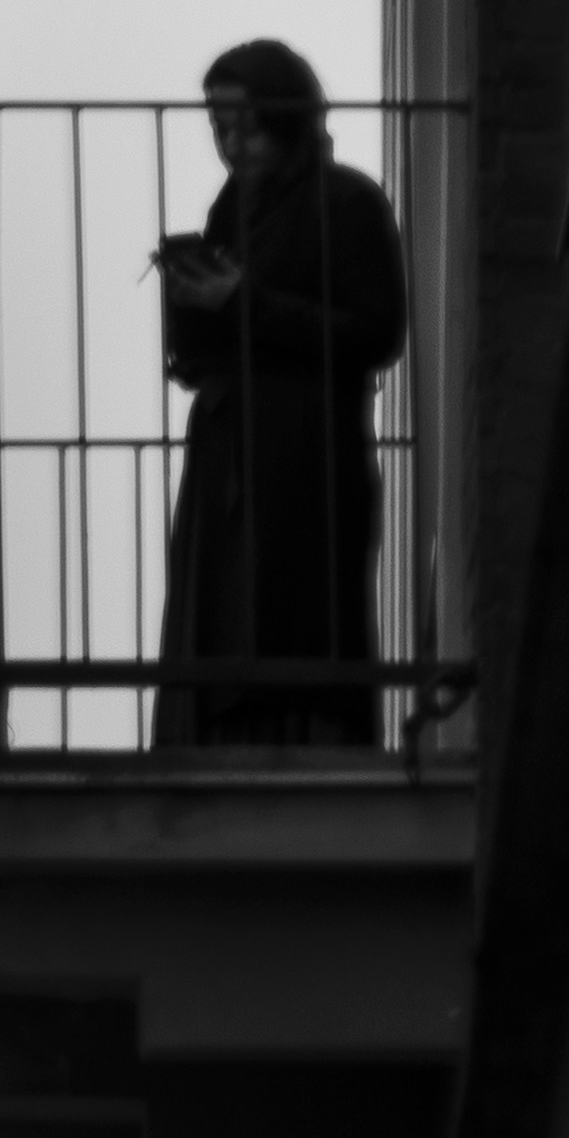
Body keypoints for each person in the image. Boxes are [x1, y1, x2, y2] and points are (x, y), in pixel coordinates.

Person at [152, 41, 410, 753]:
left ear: (285, 116)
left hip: (306, 450)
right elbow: (209, 350)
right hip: (226, 449)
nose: (231, 144)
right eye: (218, 126)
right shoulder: (229, 213)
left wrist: (244, 301)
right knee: (220, 611)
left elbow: (375, 330)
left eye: (246, 124)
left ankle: (301, 739)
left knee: (296, 616)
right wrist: (191, 302)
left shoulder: (346, 200)